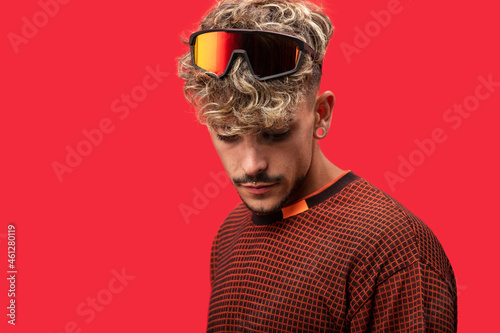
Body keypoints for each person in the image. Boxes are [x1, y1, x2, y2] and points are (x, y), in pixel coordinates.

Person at [178, 0, 457, 331]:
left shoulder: (394, 249)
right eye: (228, 135)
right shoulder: (232, 232)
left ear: (321, 114)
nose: (251, 165)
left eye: (276, 133)